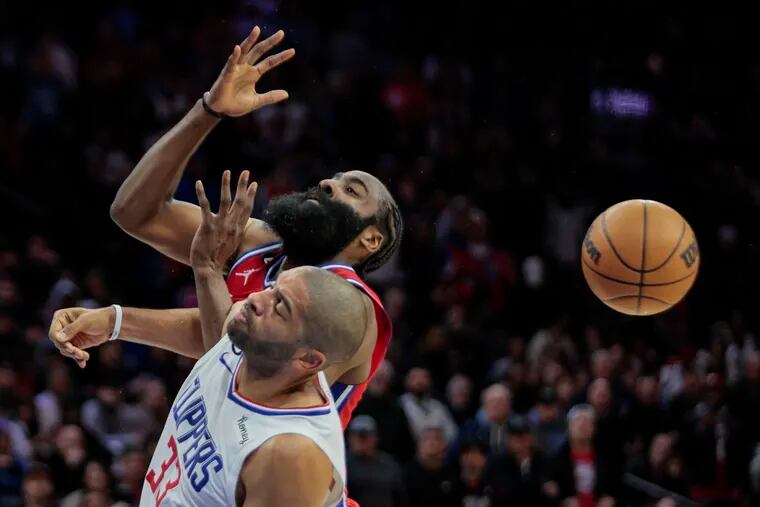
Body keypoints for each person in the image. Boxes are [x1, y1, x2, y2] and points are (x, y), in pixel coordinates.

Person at [107, 25, 402, 428]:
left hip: (284, 481)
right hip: (219, 461)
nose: (328, 184)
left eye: (352, 190)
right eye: (332, 179)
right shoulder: (264, 244)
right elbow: (135, 212)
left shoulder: (353, 306)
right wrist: (208, 111)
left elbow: (236, 367)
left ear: (371, 237)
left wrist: (208, 270)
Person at [51, 193, 371, 505]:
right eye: (273, 290)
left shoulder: (287, 454)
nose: (256, 298)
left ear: (309, 358)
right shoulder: (256, 343)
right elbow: (218, 336)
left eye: (281, 307)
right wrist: (112, 320)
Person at [346, 415, 406, 507]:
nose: (361, 440)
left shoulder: (389, 464)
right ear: (350, 438)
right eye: (357, 435)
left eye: (365, 436)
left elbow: (400, 496)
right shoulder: (342, 464)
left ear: (375, 437)